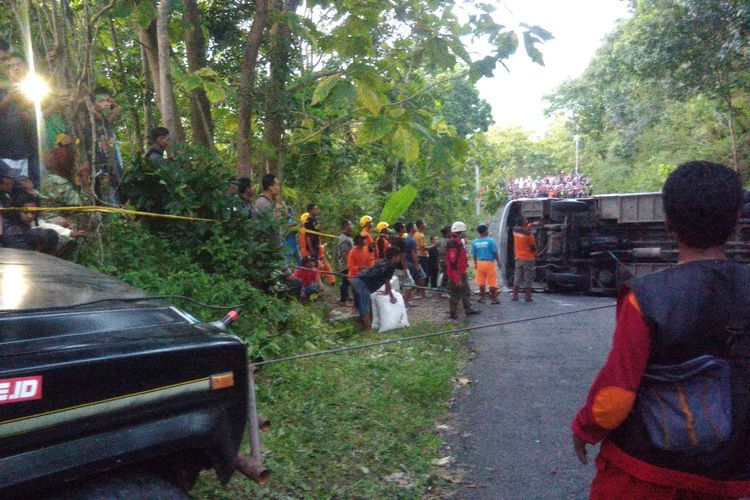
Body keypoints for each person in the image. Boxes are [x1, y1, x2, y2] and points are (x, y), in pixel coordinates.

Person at [571, 161, 750, 498]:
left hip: (645, 471)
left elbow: (615, 396)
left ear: (668, 222)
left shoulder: (646, 298)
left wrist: (585, 428)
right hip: (725, 475)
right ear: (737, 221)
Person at [0, 55, 39, 187]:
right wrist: (8, 98)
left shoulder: (36, 90)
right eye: (10, 66)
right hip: (4, 155)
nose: (15, 68)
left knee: (31, 197)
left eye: (19, 64)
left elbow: (42, 119)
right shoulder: (1, 90)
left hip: (30, 154)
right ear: (5, 71)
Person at [350, 247, 402, 331]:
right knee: (365, 306)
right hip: (362, 284)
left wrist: (386, 292)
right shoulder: (391, 265)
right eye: (398, 256)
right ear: (393, 256)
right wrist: (391, 296)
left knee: (359, 305)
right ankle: (368, 329)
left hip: (356, 279)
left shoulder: (383, 261)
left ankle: (356, 324)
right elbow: (387, 282)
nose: (399, 258)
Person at [88, 86, 124, 203]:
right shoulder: (88, 117)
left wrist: (114, 106)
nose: (106, 103)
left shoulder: (102, 119)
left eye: (107, 100)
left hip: (112, 167)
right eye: (101, 100)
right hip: (100, 169)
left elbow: (107, 121)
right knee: (108, 201)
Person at [445, 221, 479, 319]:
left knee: (466, 291)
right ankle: (453, 313)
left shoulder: (457, 242)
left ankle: (468, 309)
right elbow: (453, 262)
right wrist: (457, 278)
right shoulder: (453, 244)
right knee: (455, 294)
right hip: (456, 274)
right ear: (460, 231)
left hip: (461, 272)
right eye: (463, 231)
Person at [472, 224, 501, 304]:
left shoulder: (474, 242)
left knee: (481, 282)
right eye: (487, 230)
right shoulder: (490, 241)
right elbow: (495, 253)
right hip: (489, 263)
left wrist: (475, 264)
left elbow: (474, 254)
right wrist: (498, 262)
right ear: (485, 231)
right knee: (492, 282)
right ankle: (493, 299)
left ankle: (482, 298)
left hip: (480, 263)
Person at [389, 222, 416, 307]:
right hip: (400, 266)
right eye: (403, 227)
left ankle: (397, 302)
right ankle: (405, 302)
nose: (405, 229)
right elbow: (402, 256)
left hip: (394, 265)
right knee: (410, 283)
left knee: (396, 284)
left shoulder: (393, 239)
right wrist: (405, 268)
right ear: (401, 229)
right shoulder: (401, 241)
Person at [512, 216, 537, 302]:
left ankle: (515, 295)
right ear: (523, 223)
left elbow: (523, 230)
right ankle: (528, 297)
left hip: (518, 258)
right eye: (526, 220)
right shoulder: (529, 235)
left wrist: (531, 224)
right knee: (528, 278)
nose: (527, 221)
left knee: (517, 277)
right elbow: (533, 247)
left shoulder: (515, 231)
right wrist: (535, 254)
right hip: (528, 259)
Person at [405, 222, 427, 297]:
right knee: (422, 276)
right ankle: (422, 294)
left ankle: (418, 293)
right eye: (414, 226)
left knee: (415, 278)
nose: (416, 227)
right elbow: (413, 253)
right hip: (413, 261)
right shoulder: (412, 240)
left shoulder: (407, 239)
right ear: (411, 230)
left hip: (408, 261)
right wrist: (417, 264)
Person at [337, 219, 354, 305]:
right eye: (350, 225)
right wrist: (350, 265)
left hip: (348, 264)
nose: (352, 227)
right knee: (345, 282)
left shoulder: (347, 237)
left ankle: (346, 296)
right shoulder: (344, 239)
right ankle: (342, 300)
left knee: (346, 282)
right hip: (346, 264)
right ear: (346, 226)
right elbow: (345, 254)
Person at [415, 219, 430, 294]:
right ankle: (422, 291)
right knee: (423, 274)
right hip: (422, 256)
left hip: (417, 255)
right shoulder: (421, 235)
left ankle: (418, 290)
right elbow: (423, 248)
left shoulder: (416, 234)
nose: (425, 224)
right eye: (424, 223)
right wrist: (433, 246)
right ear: (421, 225)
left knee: (418, 274)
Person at [437, 225, 451, 290]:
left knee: (441, 274)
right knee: (446, 276)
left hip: (441, 260)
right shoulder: (450, 241)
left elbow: (433, 247)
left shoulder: (440, 241)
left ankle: (440, 288)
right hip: (447, 261)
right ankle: (444, 289)